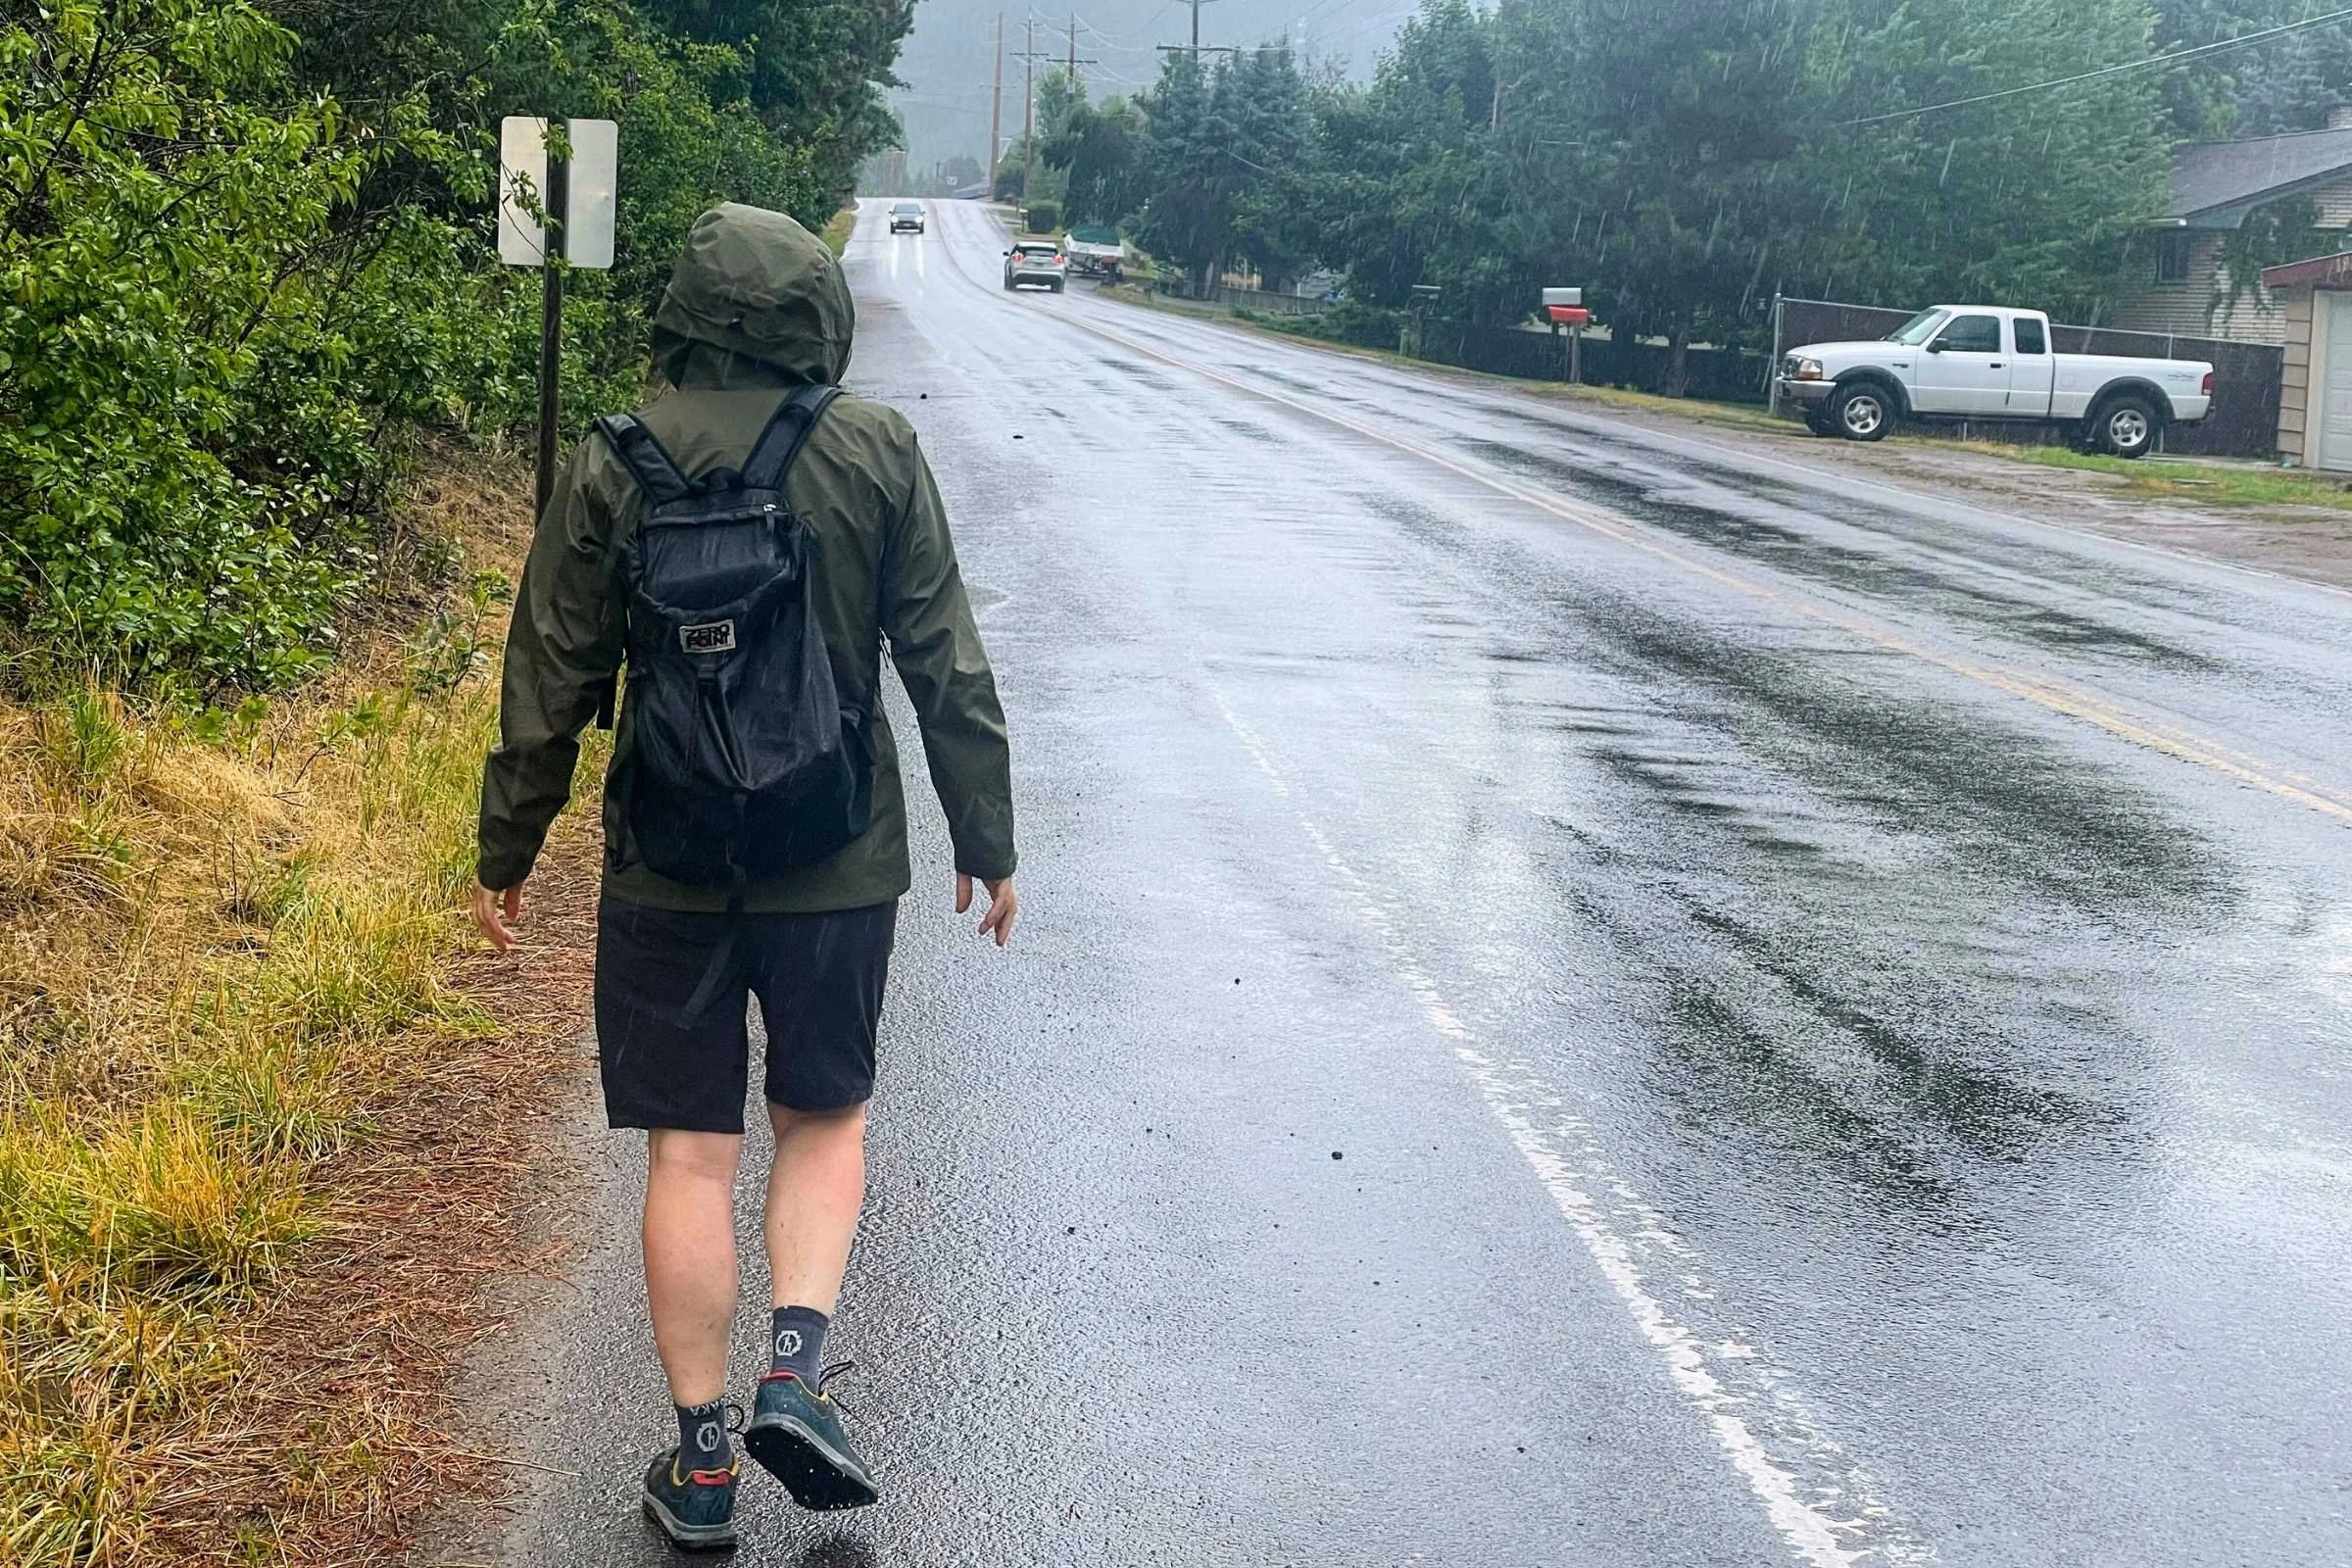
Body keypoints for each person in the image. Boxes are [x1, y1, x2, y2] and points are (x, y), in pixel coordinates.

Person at [472, 202, 1017, 1551]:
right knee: (822, 1121)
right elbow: (943, 658)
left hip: (667, 861)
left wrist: (509, 843)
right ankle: (795, 1370)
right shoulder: (875, 449)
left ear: (685, 316)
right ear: (813, 318)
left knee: (690, 1151)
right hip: (836, 858)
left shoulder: (613, 461)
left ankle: (703, 1463)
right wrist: (986, 834)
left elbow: (549, 671)